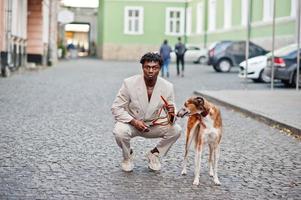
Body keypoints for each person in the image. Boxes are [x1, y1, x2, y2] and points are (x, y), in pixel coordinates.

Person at [111, 52, 181, 172]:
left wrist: (172, 112)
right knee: (119, 131)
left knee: (176, 130)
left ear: (160, 68)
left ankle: (154, 154)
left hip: (152, 125)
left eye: (154, 68)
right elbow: (116, 108)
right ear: (142, 67)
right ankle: (128, 156)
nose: (150, 71)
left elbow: (172, 116)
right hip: (132, 123)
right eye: (147, 67)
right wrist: (133, 122)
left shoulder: (167, 87)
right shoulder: (129, 83)